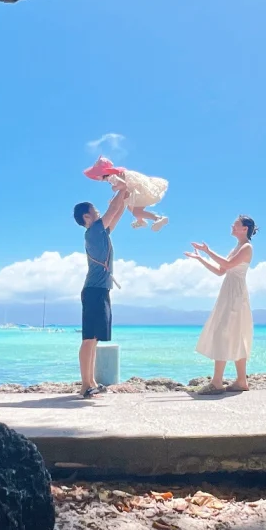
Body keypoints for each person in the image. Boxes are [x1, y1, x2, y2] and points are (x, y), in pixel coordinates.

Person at [186, 215, 257, 393]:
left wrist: (208, 251)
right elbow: (220, 271)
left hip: (236, 294)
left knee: (224, 333)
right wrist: (200, 258)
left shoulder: (247, 247)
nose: (232, 226)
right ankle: (241, 381)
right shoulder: (237, 247)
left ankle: (217, 382)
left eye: (236, 224)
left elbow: (227, 263)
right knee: (233, 333)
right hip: (229, 292)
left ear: (245, 228)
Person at [75, 185, 128, 398]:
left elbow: (117, 213)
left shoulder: (101, 232)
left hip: (100, 290)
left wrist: (125, 196)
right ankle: (85, 384)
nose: (99, 212)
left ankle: (91, 382)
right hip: (94, 290)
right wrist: (122, 188)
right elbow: (113, 209)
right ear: (87, 216)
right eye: (95, 210)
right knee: (89, 339)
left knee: (94, 339)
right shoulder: (94, 230)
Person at [83, 155, 170, 230]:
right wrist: (114, 198)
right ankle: (141, 221)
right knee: (130, 206)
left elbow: (123, 185)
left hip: (139, 191)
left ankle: (158, 218)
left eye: (97, 175)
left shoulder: (112, 177)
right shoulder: (114, 175)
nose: (97, 178)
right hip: (137, 190)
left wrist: (115, 188)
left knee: (136, 212)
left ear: (103, 173)